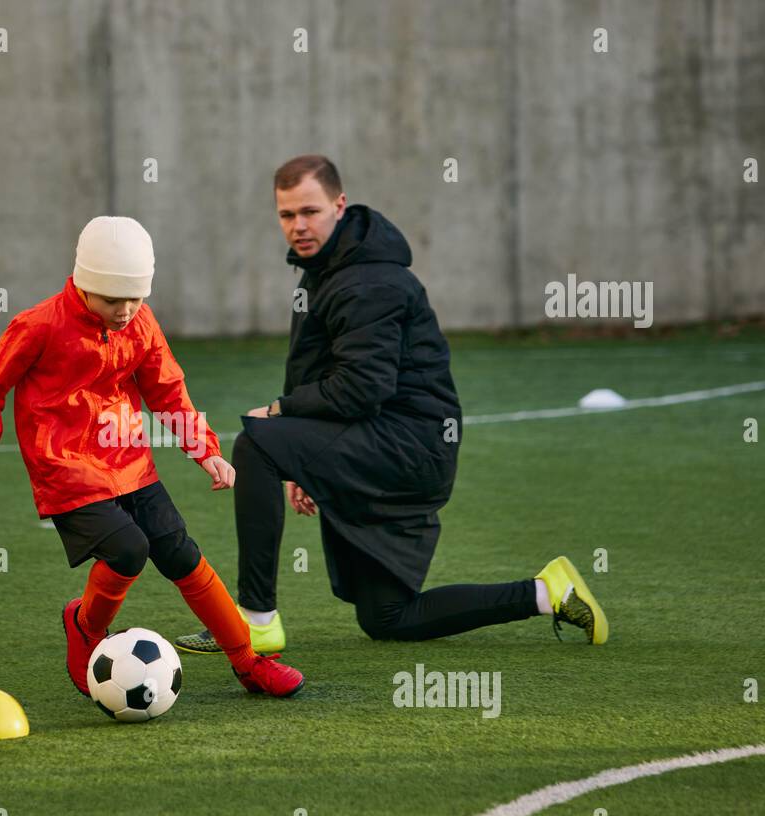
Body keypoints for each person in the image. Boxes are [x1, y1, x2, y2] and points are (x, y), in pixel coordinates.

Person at [175, 155, 607, 655]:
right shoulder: (325, 271)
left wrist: (280, 415)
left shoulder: (368, 281)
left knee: (253, 443)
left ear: (340, 205)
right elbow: (314, 371)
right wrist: (298, 458)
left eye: (310, 211)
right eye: (286, 215)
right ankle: (546, 592)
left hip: (408, 447)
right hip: (388, 441)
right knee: (390, 616)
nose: (298, 226)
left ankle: (254, 618)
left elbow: (362, 388)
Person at [0, 215, 305, 700]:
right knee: (128, 550)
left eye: (136, 298)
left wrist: (206, 452)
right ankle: (85, 626)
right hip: (67, 472)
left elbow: (168, 392)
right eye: (111, 299)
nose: (125, 310)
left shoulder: (141, 322)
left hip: (131, 464)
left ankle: (248, 662)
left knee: (181, 552)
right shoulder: (36, 326)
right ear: (82, 285)